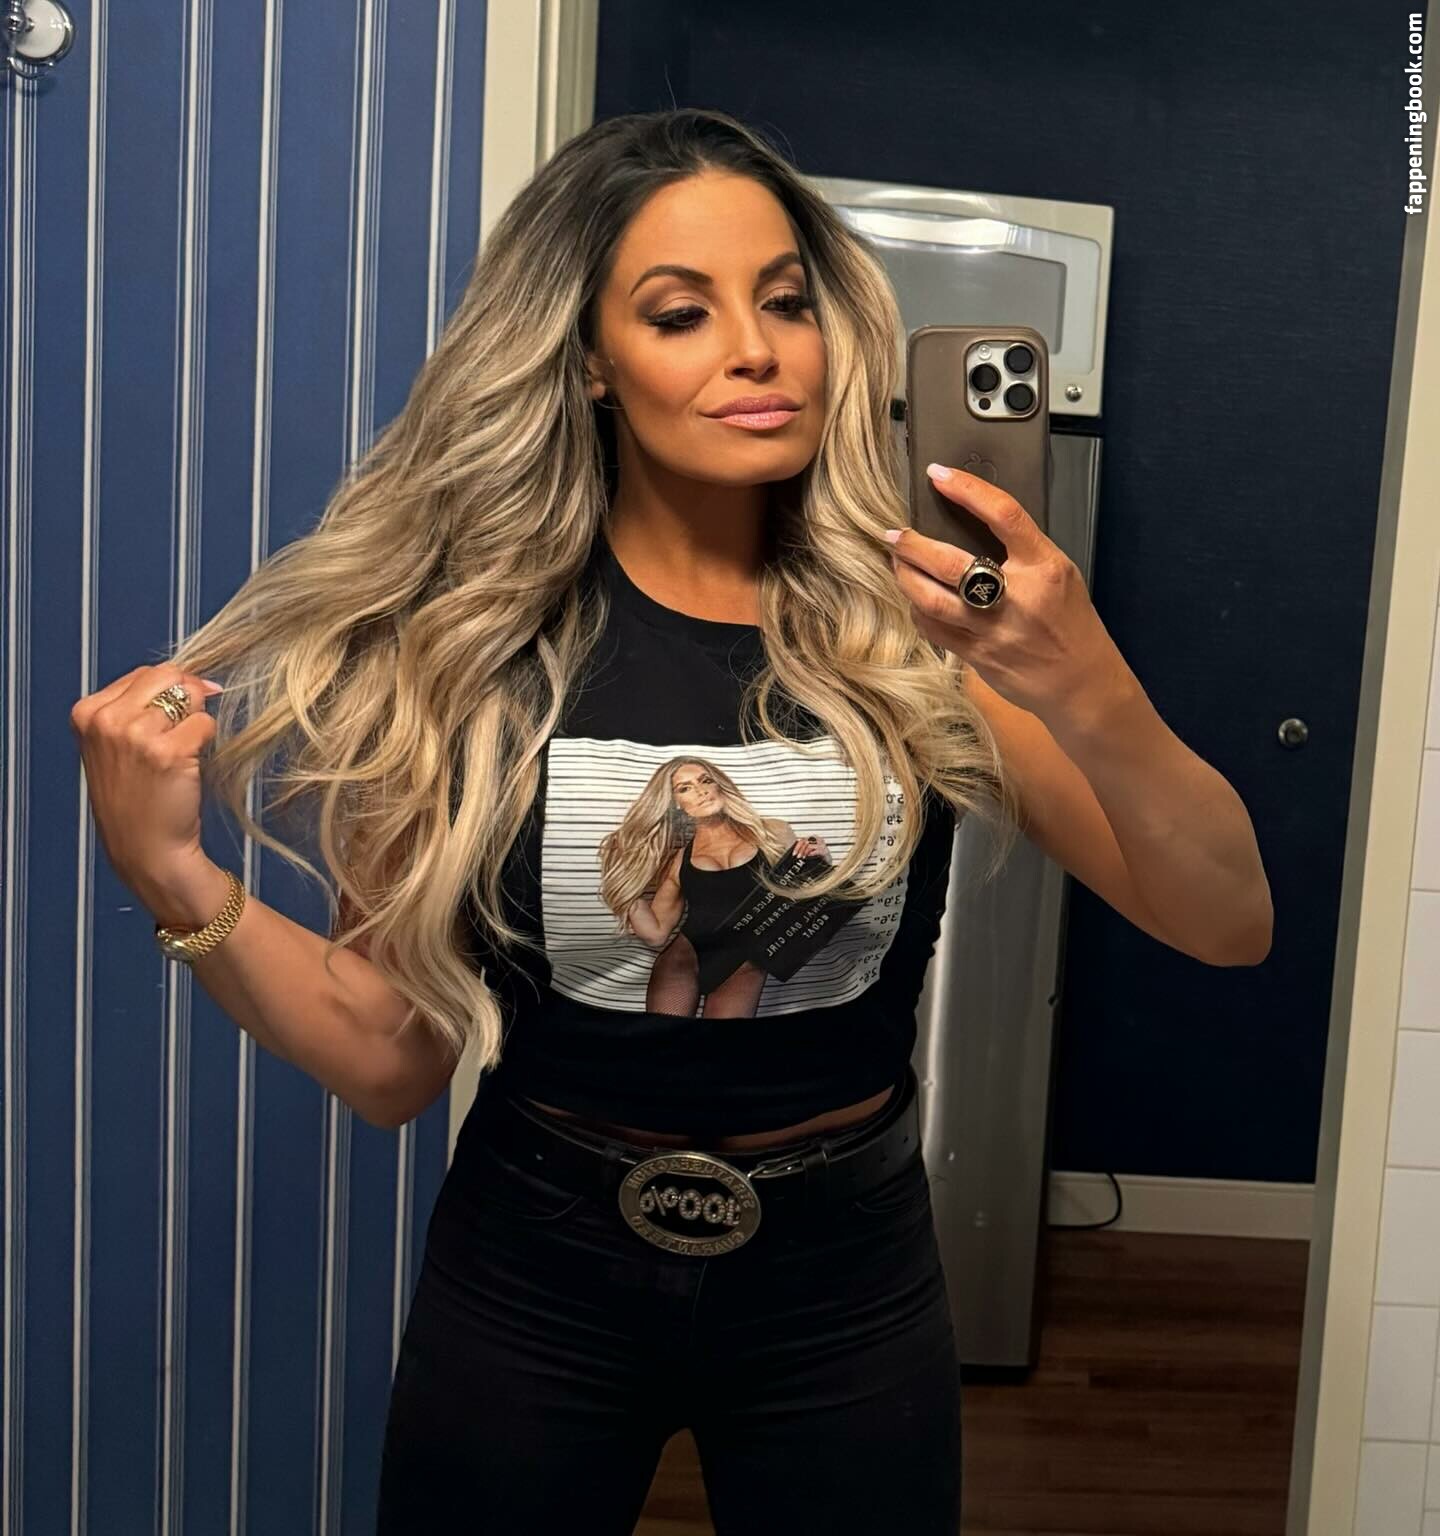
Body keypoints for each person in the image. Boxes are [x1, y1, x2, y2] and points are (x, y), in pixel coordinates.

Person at [69, 108, 1036, 1534]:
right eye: (680, 313)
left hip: (846, 1270)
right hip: (541, 1259)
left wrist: (1063, 659)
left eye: (784, 302)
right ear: (588, 357)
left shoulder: (927, 628)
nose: (756, 350)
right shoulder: (464, 652)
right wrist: (168, 869)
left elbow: (1219, 912)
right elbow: (391, 1060)